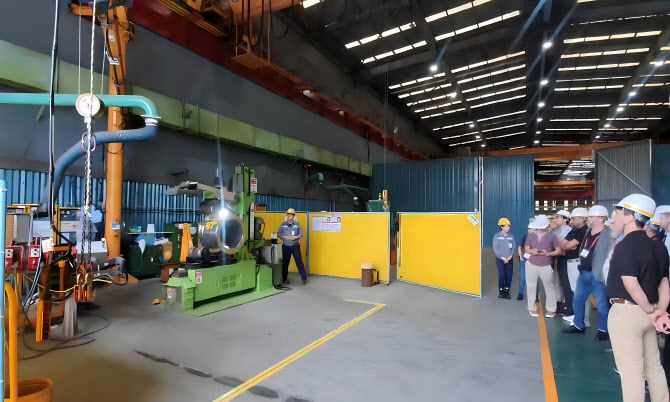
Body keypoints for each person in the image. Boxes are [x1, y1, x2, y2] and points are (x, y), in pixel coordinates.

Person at [607, 194, 670, 402]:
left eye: (618, 211)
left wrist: (652, 311)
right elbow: (664, 284)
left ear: (630, 216)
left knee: (632, 371)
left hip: (627, 313)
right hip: (649, 314)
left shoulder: (624, 246)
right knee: (654, 366)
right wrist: (659, 312)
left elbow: (632, 285)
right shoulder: (658, 246)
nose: (614, 216)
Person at [562, 205, 613, 341]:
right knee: (578, 300)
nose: (588, 219)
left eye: (591, 216)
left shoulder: (609, 234)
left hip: (598, 275)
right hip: (583, 272)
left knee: (601, 304)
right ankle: (579, 325)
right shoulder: (588, 231)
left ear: (601, 219)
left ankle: (603, 330)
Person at [525, 215, 562, 317]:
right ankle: (531, 308)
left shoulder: (552, 236)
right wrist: (532, 251)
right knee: (531, 287)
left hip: (546, 265)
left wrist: (548, 254)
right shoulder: (531, 235)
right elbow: (527, 248)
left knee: (549, 287)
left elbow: (558, 250)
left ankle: (551, 309)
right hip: (531, 265)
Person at [560, 207, 589, 319]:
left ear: (582, 218)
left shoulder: (584, 231)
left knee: (577, 290)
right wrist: (567, 246)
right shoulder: (574, 230)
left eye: (574, 218)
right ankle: (574, 313)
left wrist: (568, 246)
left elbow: (567, 245)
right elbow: (563, 244)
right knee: (572, 288)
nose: (572, 220)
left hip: (577, 263)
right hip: (570, 262)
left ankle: (577, 315)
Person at [278, 208, 308, 285]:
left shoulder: (297, 224)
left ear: (293, 216)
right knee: (285, 263)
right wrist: (286, 237)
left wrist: (296, 237)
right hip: (286, 247)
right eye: (288, 214)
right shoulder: (282, 225)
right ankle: (284, 279)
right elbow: (279, 234)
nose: (289, 216)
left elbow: (301, 234)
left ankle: (304, 279)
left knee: (299, 262)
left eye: (290, 215)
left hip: (295, 246)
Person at [551, 210, 572, 313]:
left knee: (566, 282)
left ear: (565, 219)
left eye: (558, 217)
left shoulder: (569, 231)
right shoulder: (556, 231)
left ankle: (567, 304)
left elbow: (565, 246)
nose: (556, 219)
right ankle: (559, 302)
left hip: (565, 258)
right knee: (557, 281)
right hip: (557, 258)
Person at [493, 218, 515, 299]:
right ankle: (501, 291)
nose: (508, 228)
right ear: (501, 227)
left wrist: (510, 256)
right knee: (502, 275)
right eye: (506, 226)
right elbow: (496, 249)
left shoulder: (511, 236)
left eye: (508, 226)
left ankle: (507, 291)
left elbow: (513, 247)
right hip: (500, 260)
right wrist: (503, 258)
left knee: (509, 276)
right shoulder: (497, 236)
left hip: (509, 259)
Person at [517, 225, 532, 301]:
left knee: (534, 278)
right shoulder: (525, 237)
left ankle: (535, 295)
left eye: (532, 229)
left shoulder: (538, 238)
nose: (531, 230)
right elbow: (519, 247)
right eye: (529, 229)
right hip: (525, 260)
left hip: (534, 261)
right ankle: (520, 294)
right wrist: (521, 257)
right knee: (522, 278)